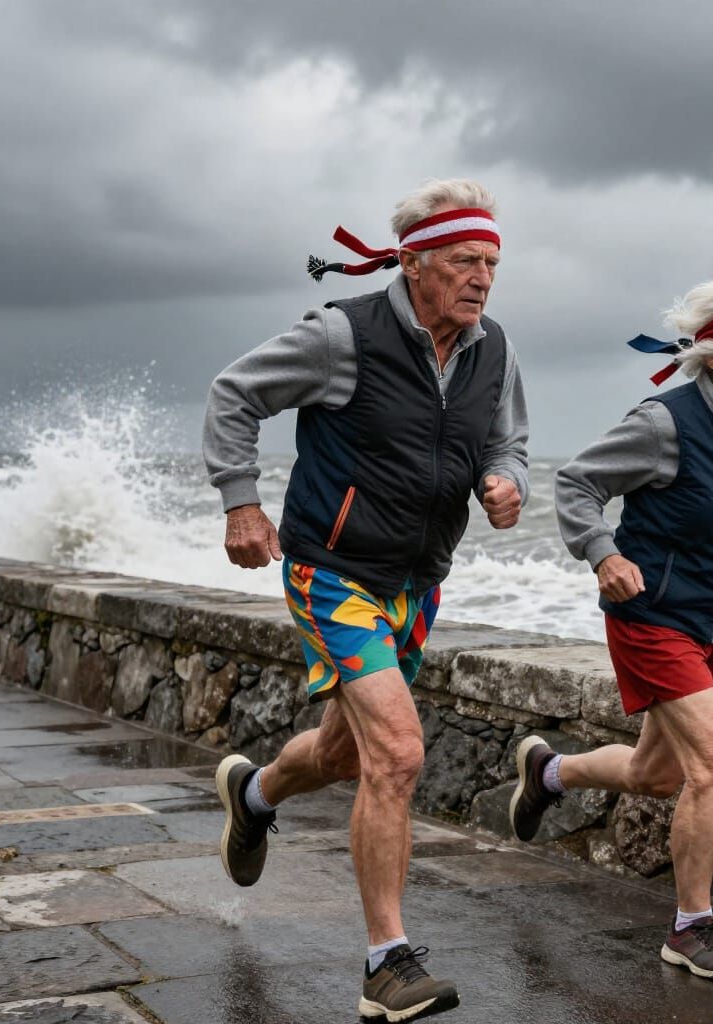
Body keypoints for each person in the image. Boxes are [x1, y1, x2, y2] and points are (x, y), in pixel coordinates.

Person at [203, 178, 528, 1021]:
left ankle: (255, 796)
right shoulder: (345, 334)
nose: (482, 278)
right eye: (464, 260)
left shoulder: (493, 350)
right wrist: (242, 501)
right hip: (331, 572)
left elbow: (509, 439)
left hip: (416, 585)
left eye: (491, 262)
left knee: (348, 753)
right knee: (399, 753)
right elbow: (235, 392)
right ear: (415, 262)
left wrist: (505, 480)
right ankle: (387, 962)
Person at [510, 272, 713, 981]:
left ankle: (549, 772)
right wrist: (604, 555)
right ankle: (691, 929)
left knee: (655, 773)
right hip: (652, 617)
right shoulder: (664, 423)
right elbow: (577, 484)